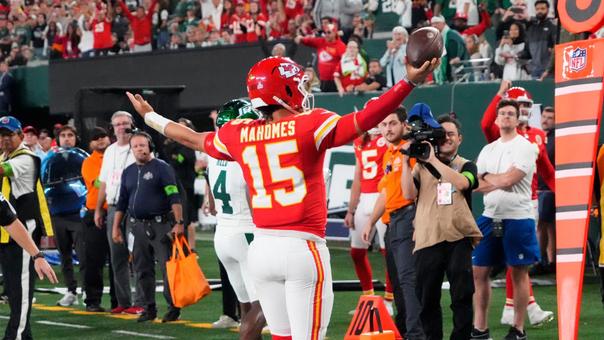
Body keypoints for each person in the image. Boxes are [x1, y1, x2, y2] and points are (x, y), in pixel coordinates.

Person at [127, 55, 438, 339]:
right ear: (284, 91)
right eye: (298, 85)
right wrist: (407, 82)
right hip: (302, 249)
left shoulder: (239, 133)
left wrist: (151, 117)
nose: (302, 90)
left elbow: (193, 139)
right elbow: (364, 119)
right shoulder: (309, 123)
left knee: (281, 336)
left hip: (261, 250)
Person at [401, 112, 482, 340]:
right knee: (427, 300)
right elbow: (408, 194)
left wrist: (432, 160)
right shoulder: (421, 167)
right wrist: (405, 164)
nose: (447, 138)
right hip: (428, 237)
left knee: (462, 297)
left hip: (459, 237)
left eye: (451, 134)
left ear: (460, 139)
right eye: (442, 134)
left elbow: (463, 183)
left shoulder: (467, 164)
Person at [481, 81, 554, 327]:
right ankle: (522, 307)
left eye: (525, 105)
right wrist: (499, 94)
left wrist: (564, 197)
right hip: (500, 204)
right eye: (517, 104)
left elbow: (548, 172)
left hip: (528, 202)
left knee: (520, 260)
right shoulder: (499, 134)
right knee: (510, 260)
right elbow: (485, 123)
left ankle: (518, 307)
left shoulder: (537, 135)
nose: (522, 109)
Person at [472, 99, 540, 340]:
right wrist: (493, 180)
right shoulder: (488, 150)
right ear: (497, 119)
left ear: (518, 118)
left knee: (518, 273)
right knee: (479, 272)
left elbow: (509, 181)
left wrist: (488, 177)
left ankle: (518, 329)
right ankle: (480, 329)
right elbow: (476, 183)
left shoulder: (527, 147)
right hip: (490, 216)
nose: (507, 117)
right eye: (503, 113)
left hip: (519, 217)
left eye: (511, 113)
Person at [361, 106, 423, 339]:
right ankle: (404, 331)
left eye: (393, 123)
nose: (388, 128)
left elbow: (417, 192)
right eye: (384, 124)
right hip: (392, 222)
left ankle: (415, 334)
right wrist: (370, 223)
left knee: (408, 281)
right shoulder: (389, 154)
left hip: (409, 218)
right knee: (397, 282)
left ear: (404, 125)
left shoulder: (412, 151)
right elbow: (386, 192)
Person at [207, 99, 266, 337]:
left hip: (223, 233)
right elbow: (255, 204)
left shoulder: (214, 152)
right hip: (246, 232)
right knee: (265, 306)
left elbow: (211, 199)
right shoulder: (247, 155)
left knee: (246, 306)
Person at [112, 130, 183, 323]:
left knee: (167, 269)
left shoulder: (162, 168)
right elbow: (122, 202)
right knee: (142, 269)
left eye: (142, 145)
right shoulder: (128, 172)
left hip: (160, 225)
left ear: (149, 146)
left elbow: (173, 195)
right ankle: (148, 308)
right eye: (135, 146)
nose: (139, 149)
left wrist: (179, 222)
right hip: (137, 227)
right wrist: (116, 227)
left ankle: (173, 308)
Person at [0, 116, 56, 340]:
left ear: (21, 137)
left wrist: (37, 252)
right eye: (1, 135)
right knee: (14, 292)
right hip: (7, 230)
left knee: (21, 294)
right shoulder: (6, 156)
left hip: (22, 232)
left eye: (8, 135)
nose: (3, 139)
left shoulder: (27, 158)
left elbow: (3, 171)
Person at [94, 111, 144, 315]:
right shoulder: (110, 151)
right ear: (112, 128)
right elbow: (104, 181)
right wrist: (98, 208)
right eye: (118, 124)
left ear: (132, 125)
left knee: (139, 255)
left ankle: (141, 301)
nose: (122, 127)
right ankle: (124, 301)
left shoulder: (139, 147)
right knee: (117, 257)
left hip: (134, 206)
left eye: (125, 123)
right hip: (114, 206)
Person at [344, 124, 394, 314]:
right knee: (356, 253)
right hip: (364, 199)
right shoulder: (360, 142)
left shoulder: (387, 140)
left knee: (388, 253)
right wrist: (350, 210)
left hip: (382, 197)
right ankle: (369, 298)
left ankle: (389, 300)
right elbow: (357, 177)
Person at [42, 125, 89, 307]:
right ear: (58, 138)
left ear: (76, 138)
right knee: (65, 256)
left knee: (84, 256)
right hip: (58, 214)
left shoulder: (82, 157)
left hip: (78, 213)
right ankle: (71, 291)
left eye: (70, 135)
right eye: (63, 135)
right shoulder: (51, 158)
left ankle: (87, 292)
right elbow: (44, 182)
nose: (67, 138)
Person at [81, 127, 116, 312]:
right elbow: (97, 182)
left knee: (117, 260)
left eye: (102, 136)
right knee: (94, 260)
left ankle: (118, 302)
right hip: (96, 212)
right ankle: (93, 301)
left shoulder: (115, 157)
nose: (100, 140)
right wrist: (112, 178)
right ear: (90, 144)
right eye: (95, 138)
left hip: (116, 211)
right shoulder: (88, 161)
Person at [163, 118, 199, 249]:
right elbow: (169, 157)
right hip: (174, 185)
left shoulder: (189, 145)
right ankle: (177, 247)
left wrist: (173, 153)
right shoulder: (171, 145)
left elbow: (179, 160)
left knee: (188, 218)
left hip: (186, 185)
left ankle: (191, 248)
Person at [295, 20, 346, 92]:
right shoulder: (321, 42)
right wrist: (301, 38)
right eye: (325, 32)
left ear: (335, 33)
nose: (326, 34)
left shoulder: (341, 46)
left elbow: (345, 62)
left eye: (329, 32)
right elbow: (309, 41)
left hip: (335, 80)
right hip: (323, 80)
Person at [534, 106, 555, 273]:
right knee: (547, 226)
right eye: (544, 116)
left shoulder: (556, 140)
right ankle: (549, 261)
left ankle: (542, 262)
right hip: (540, 189)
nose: (545, 120)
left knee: (543, 225)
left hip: (549, 190)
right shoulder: (541, 138)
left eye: (550, 117)